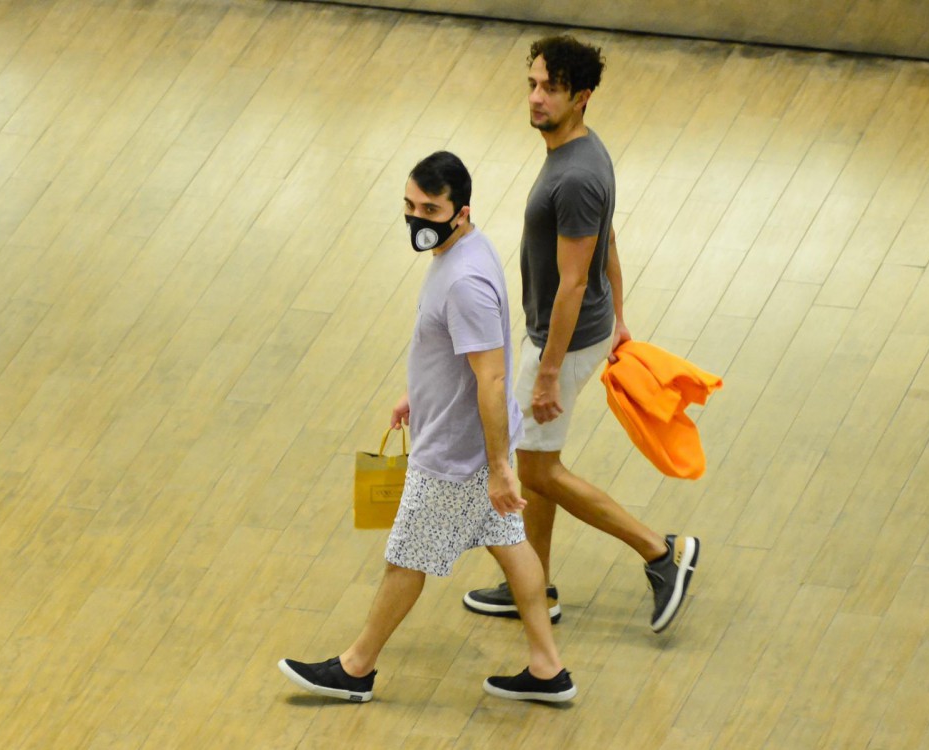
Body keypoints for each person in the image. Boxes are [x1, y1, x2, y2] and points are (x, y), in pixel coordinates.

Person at [279, 152, 576, 704]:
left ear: (460, 211)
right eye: (410, 206)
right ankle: (547, 668)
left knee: (406, 559)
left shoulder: (464, 279)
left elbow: (489, 378)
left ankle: (356, 668)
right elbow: (455, 354)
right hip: (464, 439)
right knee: (511, 545)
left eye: (430, 209)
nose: (418, 219)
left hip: (457, 456)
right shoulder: (463, 247)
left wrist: (496, 468)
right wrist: (418, 395)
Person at [462, 36, 699, 634]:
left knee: (537, 472)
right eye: (533, 85)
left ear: (582, 97)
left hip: (558, 343)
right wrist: (618, 314)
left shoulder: (576, 177)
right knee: (536, 458)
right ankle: (532, 585)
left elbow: (571, 284)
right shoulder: (581, 152)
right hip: (570, 333)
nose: (537, 98)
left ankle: (660, 552)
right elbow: (608, 241)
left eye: (552, 89)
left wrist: (547, 372)